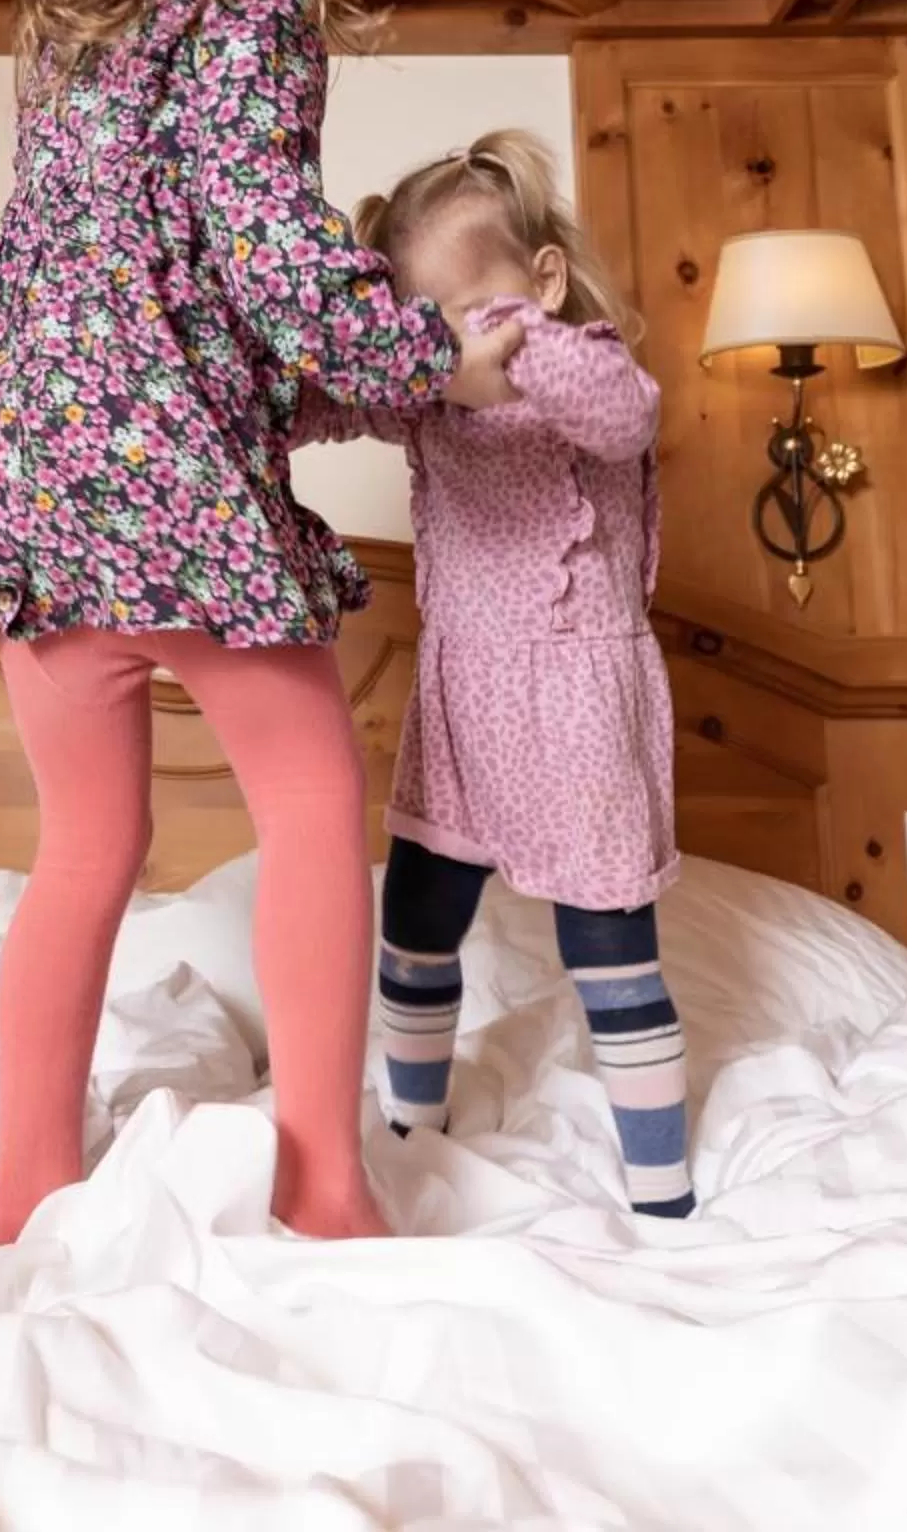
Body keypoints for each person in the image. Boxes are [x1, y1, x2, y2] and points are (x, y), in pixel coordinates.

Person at [0, 0, 522, 1245]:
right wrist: (434, 360)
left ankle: (24, 1192)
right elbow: (266, 246)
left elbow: (122, 258)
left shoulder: (71, 25)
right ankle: (322, 1183)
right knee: (317, 809)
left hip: (31, 480)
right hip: (167, 486)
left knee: (84, 846)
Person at [304, 131, 693, 1218]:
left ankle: (662, 1188)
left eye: (467, 313)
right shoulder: (429, 393)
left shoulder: (591, 367)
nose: (449, 352)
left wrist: (512, 345)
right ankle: (410, 1130)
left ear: (546, 280)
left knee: (607, 940)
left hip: (581, 703)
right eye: (424, 326)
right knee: (415, 917)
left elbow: (626, 414)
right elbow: (323, 404)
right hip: (461, 701)